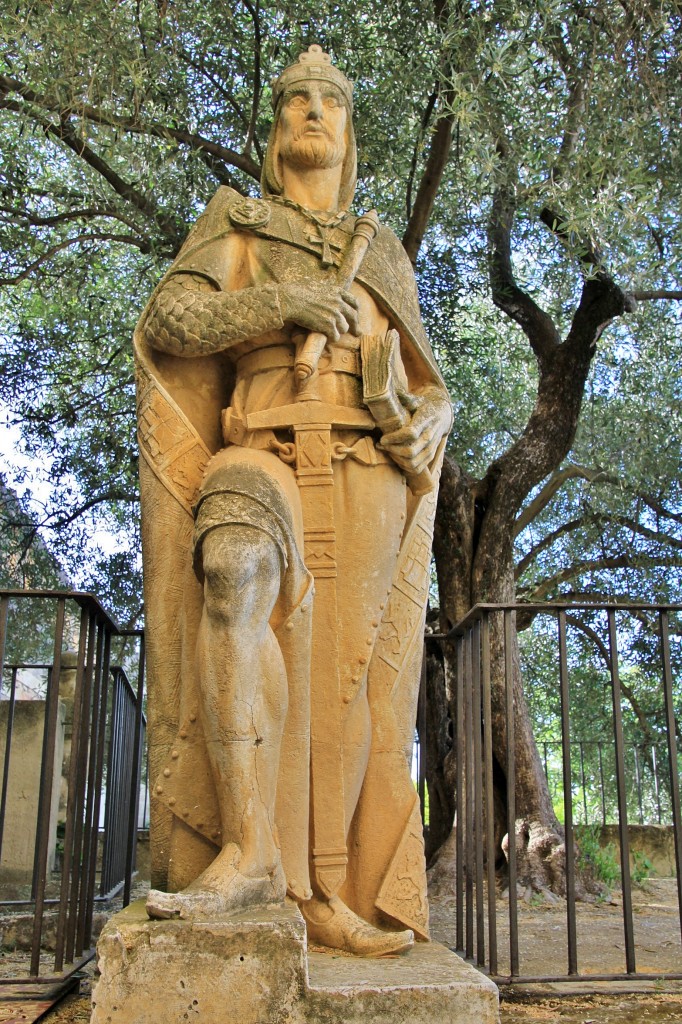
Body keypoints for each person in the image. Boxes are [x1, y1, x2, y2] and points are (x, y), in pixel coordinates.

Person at [134, 44, 452, 956]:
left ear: (349, 132)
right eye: (295, 99)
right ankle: (247, 854)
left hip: (370, 474)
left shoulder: (381, 250)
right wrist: (286, 306)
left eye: (331, 101)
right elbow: (172, 321)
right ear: (275, 131)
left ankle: (320, 889)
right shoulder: (236, 222)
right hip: (261, 449)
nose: (314, 110)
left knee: (347, 686)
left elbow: (428, 380)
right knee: (233, 565)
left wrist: (433, 415)